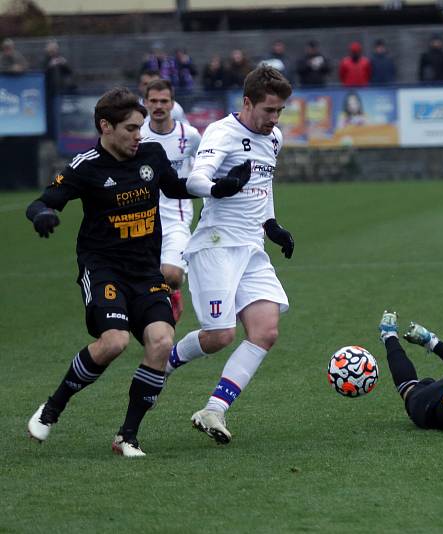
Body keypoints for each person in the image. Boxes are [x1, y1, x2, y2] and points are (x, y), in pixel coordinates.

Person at [24, 87, 249, 457]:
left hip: (145, 269)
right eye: (130, 128)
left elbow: (175, 187)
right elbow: (43, 201)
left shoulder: (151, 154)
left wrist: (220, 188)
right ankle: (53, 407)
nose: (138, 135)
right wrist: (43, 216)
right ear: (105, 126)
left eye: (140, 127)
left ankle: (127, 435)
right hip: (104, 269)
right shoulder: (86, 166)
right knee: (114, 342)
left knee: (161, 342)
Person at [165, 66, 295, 445]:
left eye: (280, 112)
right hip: (217, 244)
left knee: (266, 330)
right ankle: (163, 365)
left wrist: (272, 224)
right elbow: (195, 179)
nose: (274, 119)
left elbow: (263, 184)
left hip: (252, 247)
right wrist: (218, 188)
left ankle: (213, 410)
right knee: (221, 336)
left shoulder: (274, 139)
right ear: (247, 102)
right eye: (268, 110)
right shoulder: (222, 132)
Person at [141, 78, 202, 319]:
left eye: (163, 101)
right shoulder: (138, 134)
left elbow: (204, 167)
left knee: (172, 275)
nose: (158, 106)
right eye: (153, 101)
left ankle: (173, 293)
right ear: (145, 103)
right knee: (144, 281)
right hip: (141, 218)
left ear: (172, 103)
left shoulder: (190, 135)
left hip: (176, 218)